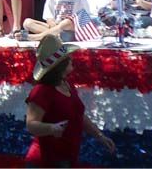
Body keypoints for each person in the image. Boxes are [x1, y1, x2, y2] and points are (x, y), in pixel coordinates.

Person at [25, 34, 115, 167]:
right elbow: (31, 125)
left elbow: (78, 115)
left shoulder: (67, 85)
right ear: (60, 65)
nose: (72, 58)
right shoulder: (41, 91)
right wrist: (51, 128)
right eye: (67, 57)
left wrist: (99, 136)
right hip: (46, 161)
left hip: (66, 158)